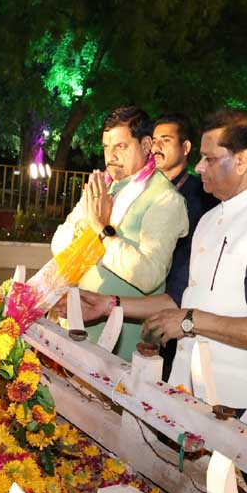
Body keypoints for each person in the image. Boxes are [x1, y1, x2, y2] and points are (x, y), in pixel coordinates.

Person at [58, 109, 247, 410]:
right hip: (186, 386)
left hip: (238, 403)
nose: (199, 167)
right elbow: (178, 300)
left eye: (209, 159)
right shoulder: (209, 219)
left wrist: (190, 322)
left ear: (242, 160)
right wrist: (109, 304)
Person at [51, 106, 187, 359]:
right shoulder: (102, 186)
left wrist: (100, 229)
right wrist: (91, 225)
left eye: (121, 146)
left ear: (146, 145)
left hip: (123, 339)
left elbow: (149, 275)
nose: (111, 156)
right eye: (106, 147)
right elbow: (59, 244)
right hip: (76, 322)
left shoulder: (164, 198)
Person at [151, 113, 219, 376]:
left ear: (186, 147)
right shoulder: (145, 191)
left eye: (165, 140)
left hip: (176, 308)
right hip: (141, 302)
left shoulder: (201, 196)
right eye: (154, 140)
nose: (156, 147)